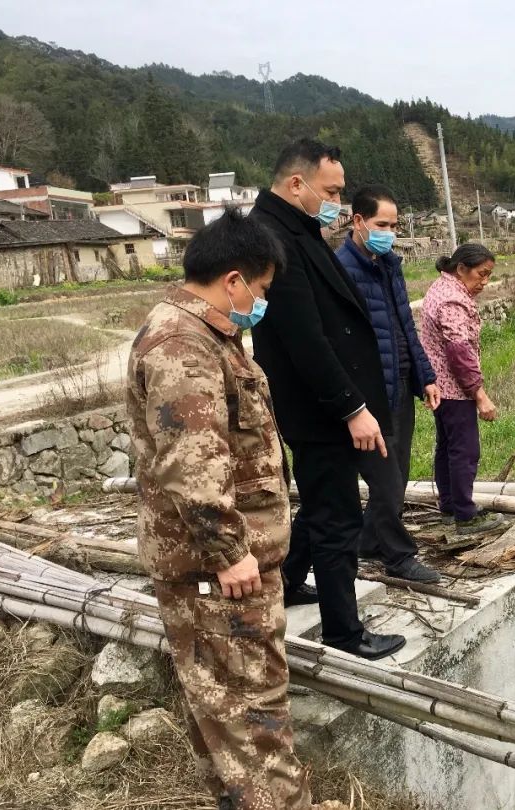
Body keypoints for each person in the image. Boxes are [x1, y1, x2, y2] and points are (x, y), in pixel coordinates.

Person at [126, 208, 317, 809]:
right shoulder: (183, 344)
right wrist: (230, 553)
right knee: (253, 716)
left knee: (226, 716)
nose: (260, 302)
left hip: (221, 566)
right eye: (259, 290)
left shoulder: (204, 335)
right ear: (233, 279)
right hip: (221, 573)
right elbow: (192, 461)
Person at [250, 139, 405, 661]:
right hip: (319, 410)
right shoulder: (275, 239)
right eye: (332, 191)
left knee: (322, 507)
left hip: (322, 403)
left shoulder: (297, 228)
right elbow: (305, 340)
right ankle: (345, 632)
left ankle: (291, 581)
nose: (338, 201)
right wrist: (352, 408)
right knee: (338, 516)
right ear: (297, 184)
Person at [336, 184, 442, 583]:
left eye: (394, 225)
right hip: (369, 394)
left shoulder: (390, 265)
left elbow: (404, 327)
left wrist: (425, 376)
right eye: (382, 224)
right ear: (358, 221)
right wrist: (353, 404)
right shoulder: (341, 271)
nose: (390, 232)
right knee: (386, 478)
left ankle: (368, 541)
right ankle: (399, 556)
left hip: (399, 385)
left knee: (398, 468)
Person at [419, 244, 504, 535]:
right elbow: (459, 351)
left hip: (438, 387)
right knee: (465, 451)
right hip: (453, 389)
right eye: (481, 274)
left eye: (488, 276)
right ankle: (466, 516)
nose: (484, 282)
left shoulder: (441, 288)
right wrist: (480, 395)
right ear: (461, 269)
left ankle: (450, 507)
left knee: (447, 448)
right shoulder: (453, 300)